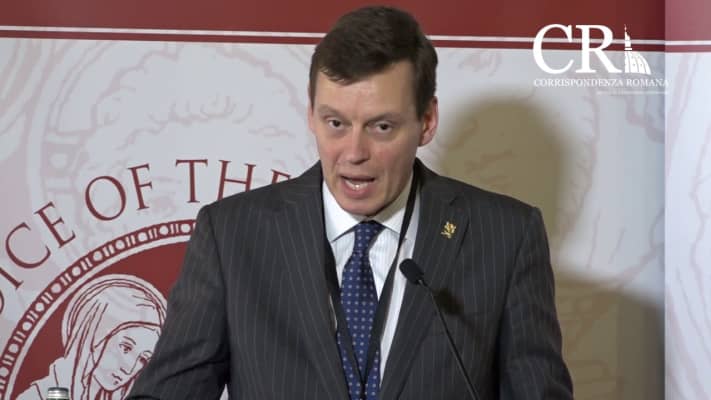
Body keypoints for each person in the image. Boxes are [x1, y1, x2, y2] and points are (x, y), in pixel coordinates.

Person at [128, 6, 573, 400]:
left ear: (427, 121)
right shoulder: (231, 236)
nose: (354, 153)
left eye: (381, 127)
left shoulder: (506, 237)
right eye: (336, 123)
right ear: (311, 115)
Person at [18, 274, 167, 400]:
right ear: (94, 336)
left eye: (143, 359)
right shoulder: (40, 395)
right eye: (126, 348)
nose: (129, 369)